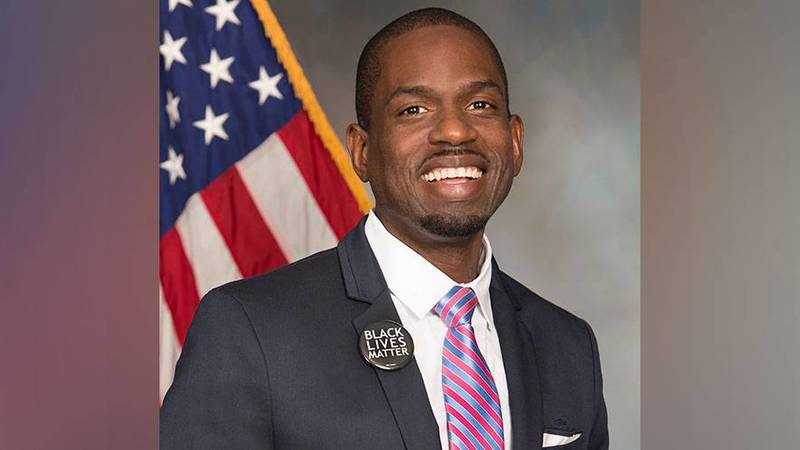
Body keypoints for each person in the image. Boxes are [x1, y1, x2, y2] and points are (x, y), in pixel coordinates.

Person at [161, 7, 608, 450]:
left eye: (480, 105)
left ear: (515, 142)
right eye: (413, 109)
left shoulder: (568, 346)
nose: (455, 131)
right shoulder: (249, 331)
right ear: (362, 151)